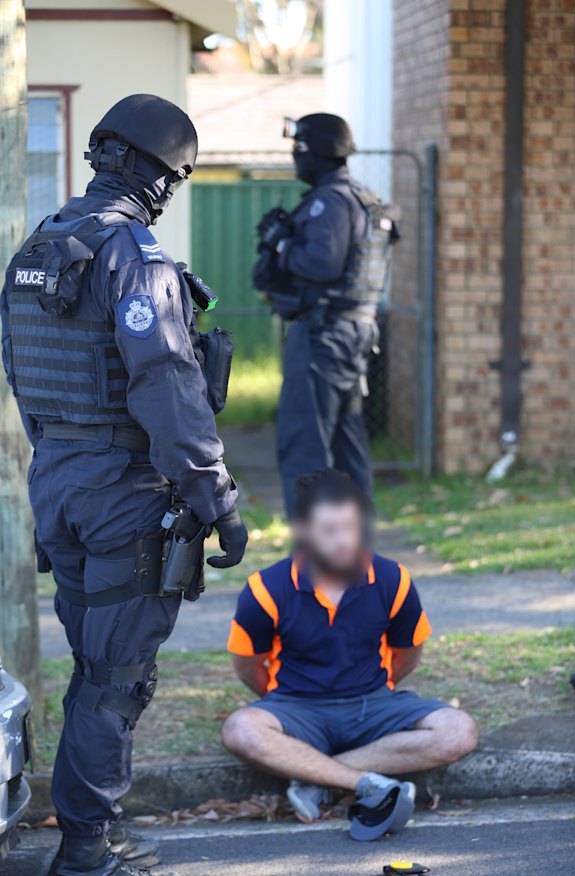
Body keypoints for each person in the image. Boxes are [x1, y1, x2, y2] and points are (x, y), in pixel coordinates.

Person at [1, 94, 248, 876]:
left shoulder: (36, 250)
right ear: (155, 171)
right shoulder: (131, 255)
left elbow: (25, 378)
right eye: (174, 178)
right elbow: (169, 387)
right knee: (115, 679)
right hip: (123, 495)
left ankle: (89, 835)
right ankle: (85, 851)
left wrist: (64, 465)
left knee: (94, 665)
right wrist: (219, 501)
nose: (170, 194)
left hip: (59, 485)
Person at [223, 470, 478, 841]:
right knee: (241, 729)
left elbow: (408, 654)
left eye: (351, 527)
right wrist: (280, 705)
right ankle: (363, 781)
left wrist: (382, 690)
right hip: (297, 706)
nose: (344, 540)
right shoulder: (265, 589)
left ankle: (318, 780)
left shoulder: (393, 579)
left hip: (372, 704)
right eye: (330, 530)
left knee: (459, 731)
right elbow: (248, 666)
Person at [252, 113, 399, 518]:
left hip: (323, 333)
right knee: (347, 445)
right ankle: (358, 556)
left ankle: (314, 560)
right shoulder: (360, 195)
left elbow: (321, 264)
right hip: (353, 331)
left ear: (316, 150)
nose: (295, 157)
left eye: (298, 148)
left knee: (305, 445)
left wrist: (281, 243)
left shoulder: (328, 201)